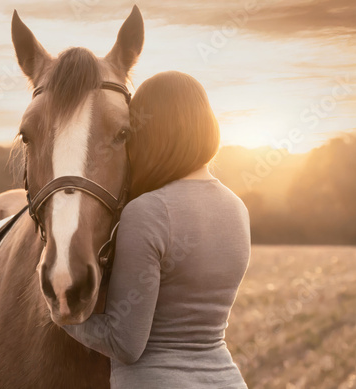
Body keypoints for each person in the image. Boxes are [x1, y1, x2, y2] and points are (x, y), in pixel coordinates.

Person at [62, 71, 250, 388]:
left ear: (149, 134)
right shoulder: (237, 209)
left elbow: (124, 344)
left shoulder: (148, 212)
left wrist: (62, 315)